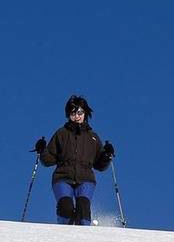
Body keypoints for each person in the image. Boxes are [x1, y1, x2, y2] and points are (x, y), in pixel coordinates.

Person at [33, 95, 114, 225]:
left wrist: (107, 155)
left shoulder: (92, 137)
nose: (77, 116)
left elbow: (100, 165)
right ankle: (65, 235)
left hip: (86, 178)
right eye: (73, 113)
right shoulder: (61, 133)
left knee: (83, 207)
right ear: (68, 114)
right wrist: (42, 151)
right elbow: (49, 160)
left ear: (85, 113)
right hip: (62, 177)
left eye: (80, 112)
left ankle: (83, 239)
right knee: (66, 207)